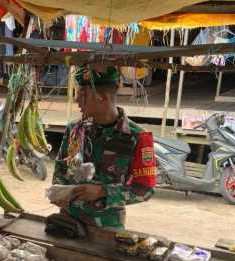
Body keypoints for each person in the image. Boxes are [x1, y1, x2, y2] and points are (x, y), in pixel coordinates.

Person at [52, 65, 157, 231]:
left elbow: (145, 190)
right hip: (68, 223)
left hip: (106, 228)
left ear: (102, 98)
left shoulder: (137, 137)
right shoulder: (75, 130)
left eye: (82, 95)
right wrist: (59, 191)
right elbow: (61, 168)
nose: (77, 100)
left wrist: (103, 192)